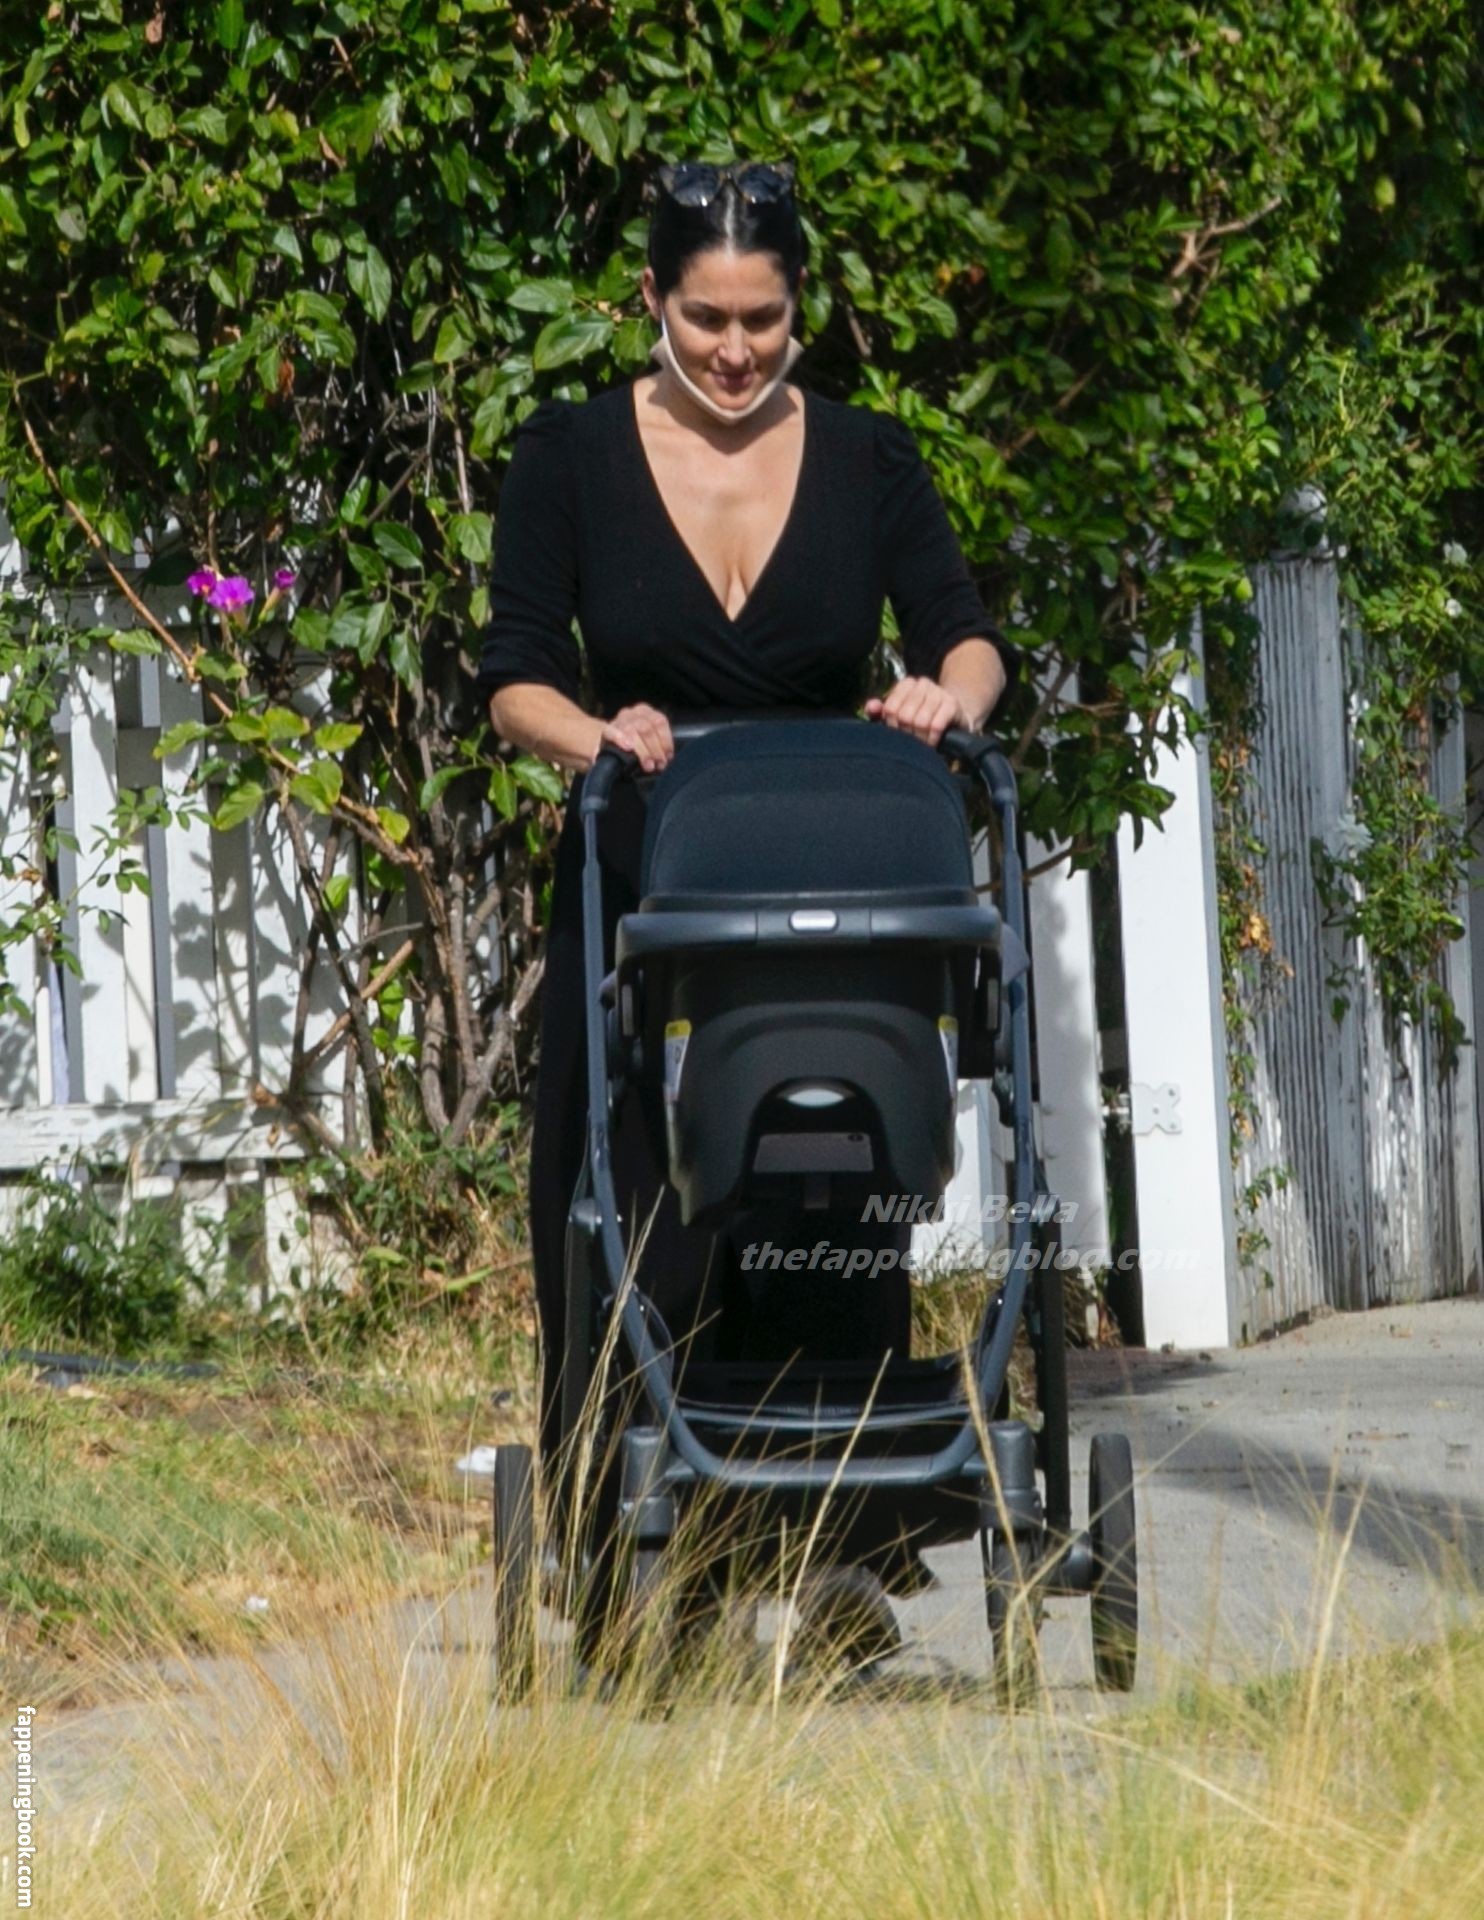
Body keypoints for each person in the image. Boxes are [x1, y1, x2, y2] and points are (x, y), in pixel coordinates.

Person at [477, 158, 1019, 1485]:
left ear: (799, 309)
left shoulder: (869, 457)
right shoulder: (568, 456)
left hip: (823, 897)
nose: (735, 351)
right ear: (651, 299)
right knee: (629, 1227)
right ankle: (616, 1524)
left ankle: (834, 1525)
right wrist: (597, 735)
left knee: (830, 1201)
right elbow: (515, 681)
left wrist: (943, 699)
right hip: (647, 894)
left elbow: (967, 637)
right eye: (706, 318)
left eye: (763, 320)